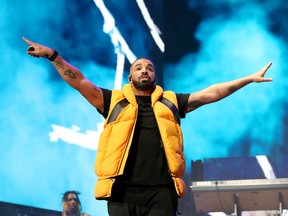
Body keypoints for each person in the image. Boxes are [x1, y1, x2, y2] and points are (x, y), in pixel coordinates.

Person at [23, 36, 273, 216]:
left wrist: (248, 79)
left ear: (155, 76)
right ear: (129, 77)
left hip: (161, 192)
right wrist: (52, 55)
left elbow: (211, 93)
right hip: (121, 191)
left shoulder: (172, 101)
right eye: (138, 67)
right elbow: (78, 81)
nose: (145, 70)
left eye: (150, 68)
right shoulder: (112, 100)